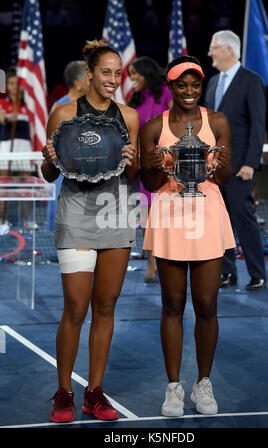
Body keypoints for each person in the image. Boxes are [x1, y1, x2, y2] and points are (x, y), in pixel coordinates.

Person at [41, 40, 139, 423]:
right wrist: (49, 159)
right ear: (90, 73)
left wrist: (133, 163)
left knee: (105, 307)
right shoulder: (63, 114)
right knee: (77, 307)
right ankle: (63, 392)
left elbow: (134, 178)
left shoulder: (129, 117)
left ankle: (94, 393)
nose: (113, 80)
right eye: (106, 72)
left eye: (118, 73)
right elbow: (49, 173)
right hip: (76, 215)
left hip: (116, 215)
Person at [140, 55, 235, 417]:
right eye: (182, 84)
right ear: (171, 86)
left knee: (208, 305)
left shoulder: (219, 121)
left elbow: (222, 180)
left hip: (208, 216)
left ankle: (204, 384)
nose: (190, 90)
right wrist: (152, 165)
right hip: (169, 216)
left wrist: (223, 166)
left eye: (195, 84)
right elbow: (149, 184)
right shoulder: (153, 126)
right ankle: (174, 388)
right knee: (172, 305)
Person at [205, 30, 267, 291]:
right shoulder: (212, 83)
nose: (210, 53)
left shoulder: (251, 81)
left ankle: (258, 273)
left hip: (240, 167)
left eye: (213, 47)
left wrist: (250, 163)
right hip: (213, 168)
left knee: (244, 219)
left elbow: (257, 125)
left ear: (229, 50)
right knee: (219, 222)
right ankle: (227, 272)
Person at [128, 56, 172, 282]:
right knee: (147, 217)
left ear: (146, 72)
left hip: (168, 166)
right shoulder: (134, 99)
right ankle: (151, 263)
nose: (132, 79)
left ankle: (171, 261)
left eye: (135, 74)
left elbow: (178, 123)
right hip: (146, 167)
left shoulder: (166, 93)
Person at [47, 60, 89, 231]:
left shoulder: (91, 105)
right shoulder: (59, 108)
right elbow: (51, 144)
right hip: (65, 173)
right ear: (78, 83)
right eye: (88, 78)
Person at [0, 67, 34, 227]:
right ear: (7, 86)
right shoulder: (2, 103)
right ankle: (2, 219)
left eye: (17, 83)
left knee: (25, 183)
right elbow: (1, 120)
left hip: (25, 147)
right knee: (4, 183)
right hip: (6, 147)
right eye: (11, 83)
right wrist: (8, 117)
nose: (14, 86)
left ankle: (26, 219)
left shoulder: (29, 105)